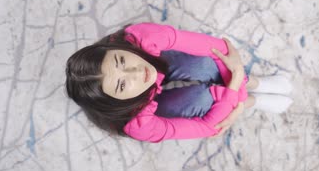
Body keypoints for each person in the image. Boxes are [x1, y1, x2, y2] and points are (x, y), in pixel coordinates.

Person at [65, 23, 293, 143]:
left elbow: (219, 51)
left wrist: (238, 76)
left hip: (158, 59)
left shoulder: (141, 37)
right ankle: (253, 98)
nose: (135, 72)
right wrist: (238, 99)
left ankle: (255, 83)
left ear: (119, 49)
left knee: (204, 65)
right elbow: (207, 127)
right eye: (122, 85)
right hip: (142, 106)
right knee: (202, 99)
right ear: (116, 101)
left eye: (121, 60)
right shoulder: (137, 124)